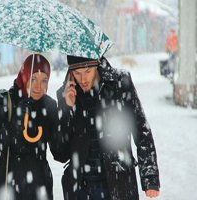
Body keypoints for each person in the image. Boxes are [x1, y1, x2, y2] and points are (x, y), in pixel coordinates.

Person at [55, 55, 160, 200]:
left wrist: (149, 176)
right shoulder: (66, 93)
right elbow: (60, 153)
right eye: (77, 74)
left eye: (87, 71)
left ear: (97, 64)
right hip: (80, 189)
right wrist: (67, 109)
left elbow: (141, 130)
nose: (83, 79)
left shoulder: (120, 82)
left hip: (118, 183)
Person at [0, 54, 63, 200]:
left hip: (39, 185)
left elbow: (60, 154)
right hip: (7, 182)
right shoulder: (6, 101)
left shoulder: (49, 106)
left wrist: (65, 111)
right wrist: (18, 119)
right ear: (25, 75)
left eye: (44, 80)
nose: (38, 87)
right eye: (33, 79)